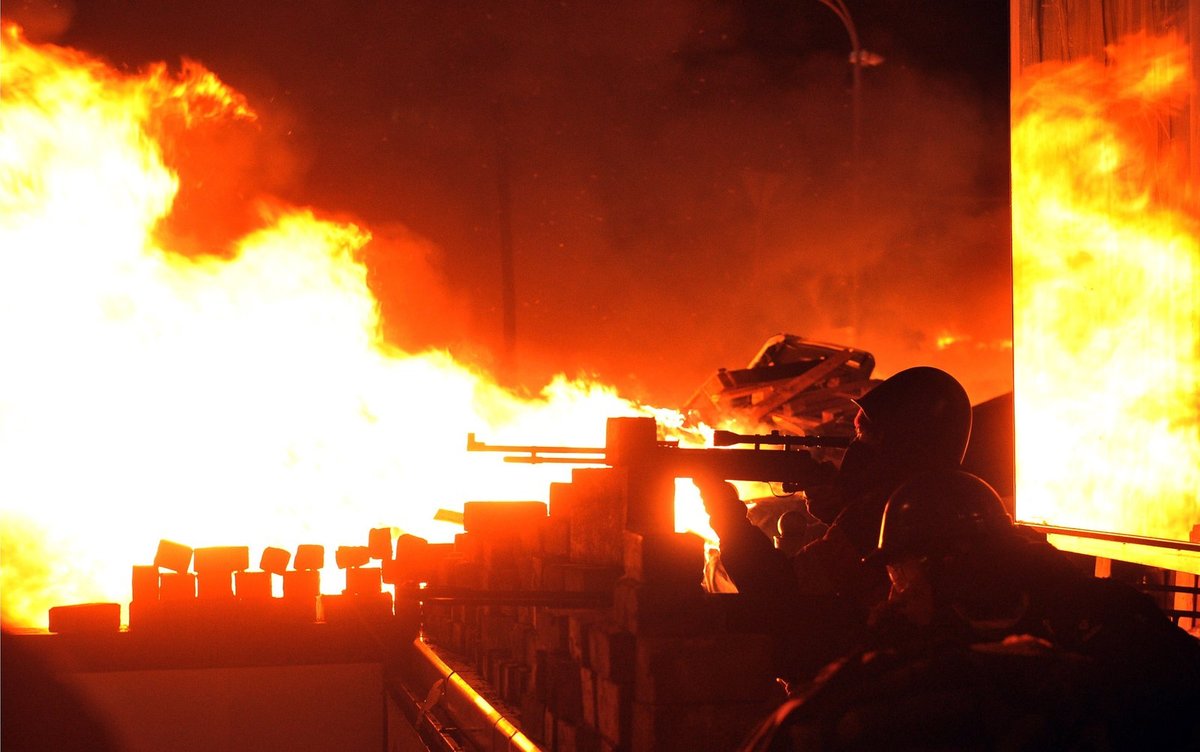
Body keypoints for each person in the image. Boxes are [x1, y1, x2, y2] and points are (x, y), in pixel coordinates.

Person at [739, 470, 1200, 751]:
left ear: (951, 564)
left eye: (901, 574)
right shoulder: (889, 648)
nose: (895, 594)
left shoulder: (1111, 623)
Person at [696, 366, 973, 682]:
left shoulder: (882, 514)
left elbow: (776, 590)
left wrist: (725, 513)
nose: (856, 449)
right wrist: (843, 505)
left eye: (864, 435)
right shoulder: (958, 496)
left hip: (871, 680)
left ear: (900, 445)